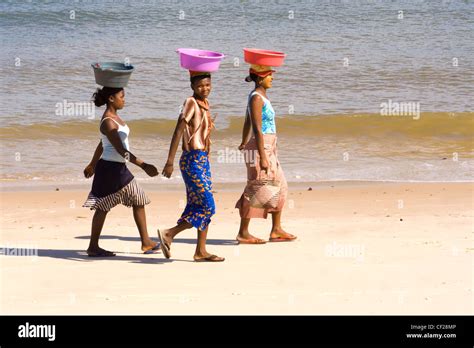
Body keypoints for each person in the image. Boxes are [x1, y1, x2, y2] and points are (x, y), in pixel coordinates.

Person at [83, 86, 159, 257]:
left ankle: (146, 242)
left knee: (138, 199)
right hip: (110, 169)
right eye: (121, 96)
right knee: (103, 206)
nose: (124, 99)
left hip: (118, 169)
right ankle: (93, 246)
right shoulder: (108, 121)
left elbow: (102, 143)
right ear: (111, 99)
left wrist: (92, 164)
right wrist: (144, 165)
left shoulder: (114, 118)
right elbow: (118, 148)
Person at [159, 71, 225, 262]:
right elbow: (179, 129)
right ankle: (169, 233)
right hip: (191, 160)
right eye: (200, 86)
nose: (205, 88)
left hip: (202, 159)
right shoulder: (191, 102)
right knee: (208, 205)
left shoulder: (206, 104)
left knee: (199, 205)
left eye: (207, 84)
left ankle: (200, 251)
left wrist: (206, 157)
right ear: (192, 88)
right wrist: (170, 161)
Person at [235, 64, 297, 244]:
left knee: (281, 185)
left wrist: (242, 140)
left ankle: (276, 229)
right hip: (261, 147)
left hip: (269, 146)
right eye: (270, 75)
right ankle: (243, 232)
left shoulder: (261, 97)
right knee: (257, 187)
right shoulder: (256, 98)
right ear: (261, 78)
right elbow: (256, 126)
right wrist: (262, 156)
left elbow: (247, 120)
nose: (273, 78)